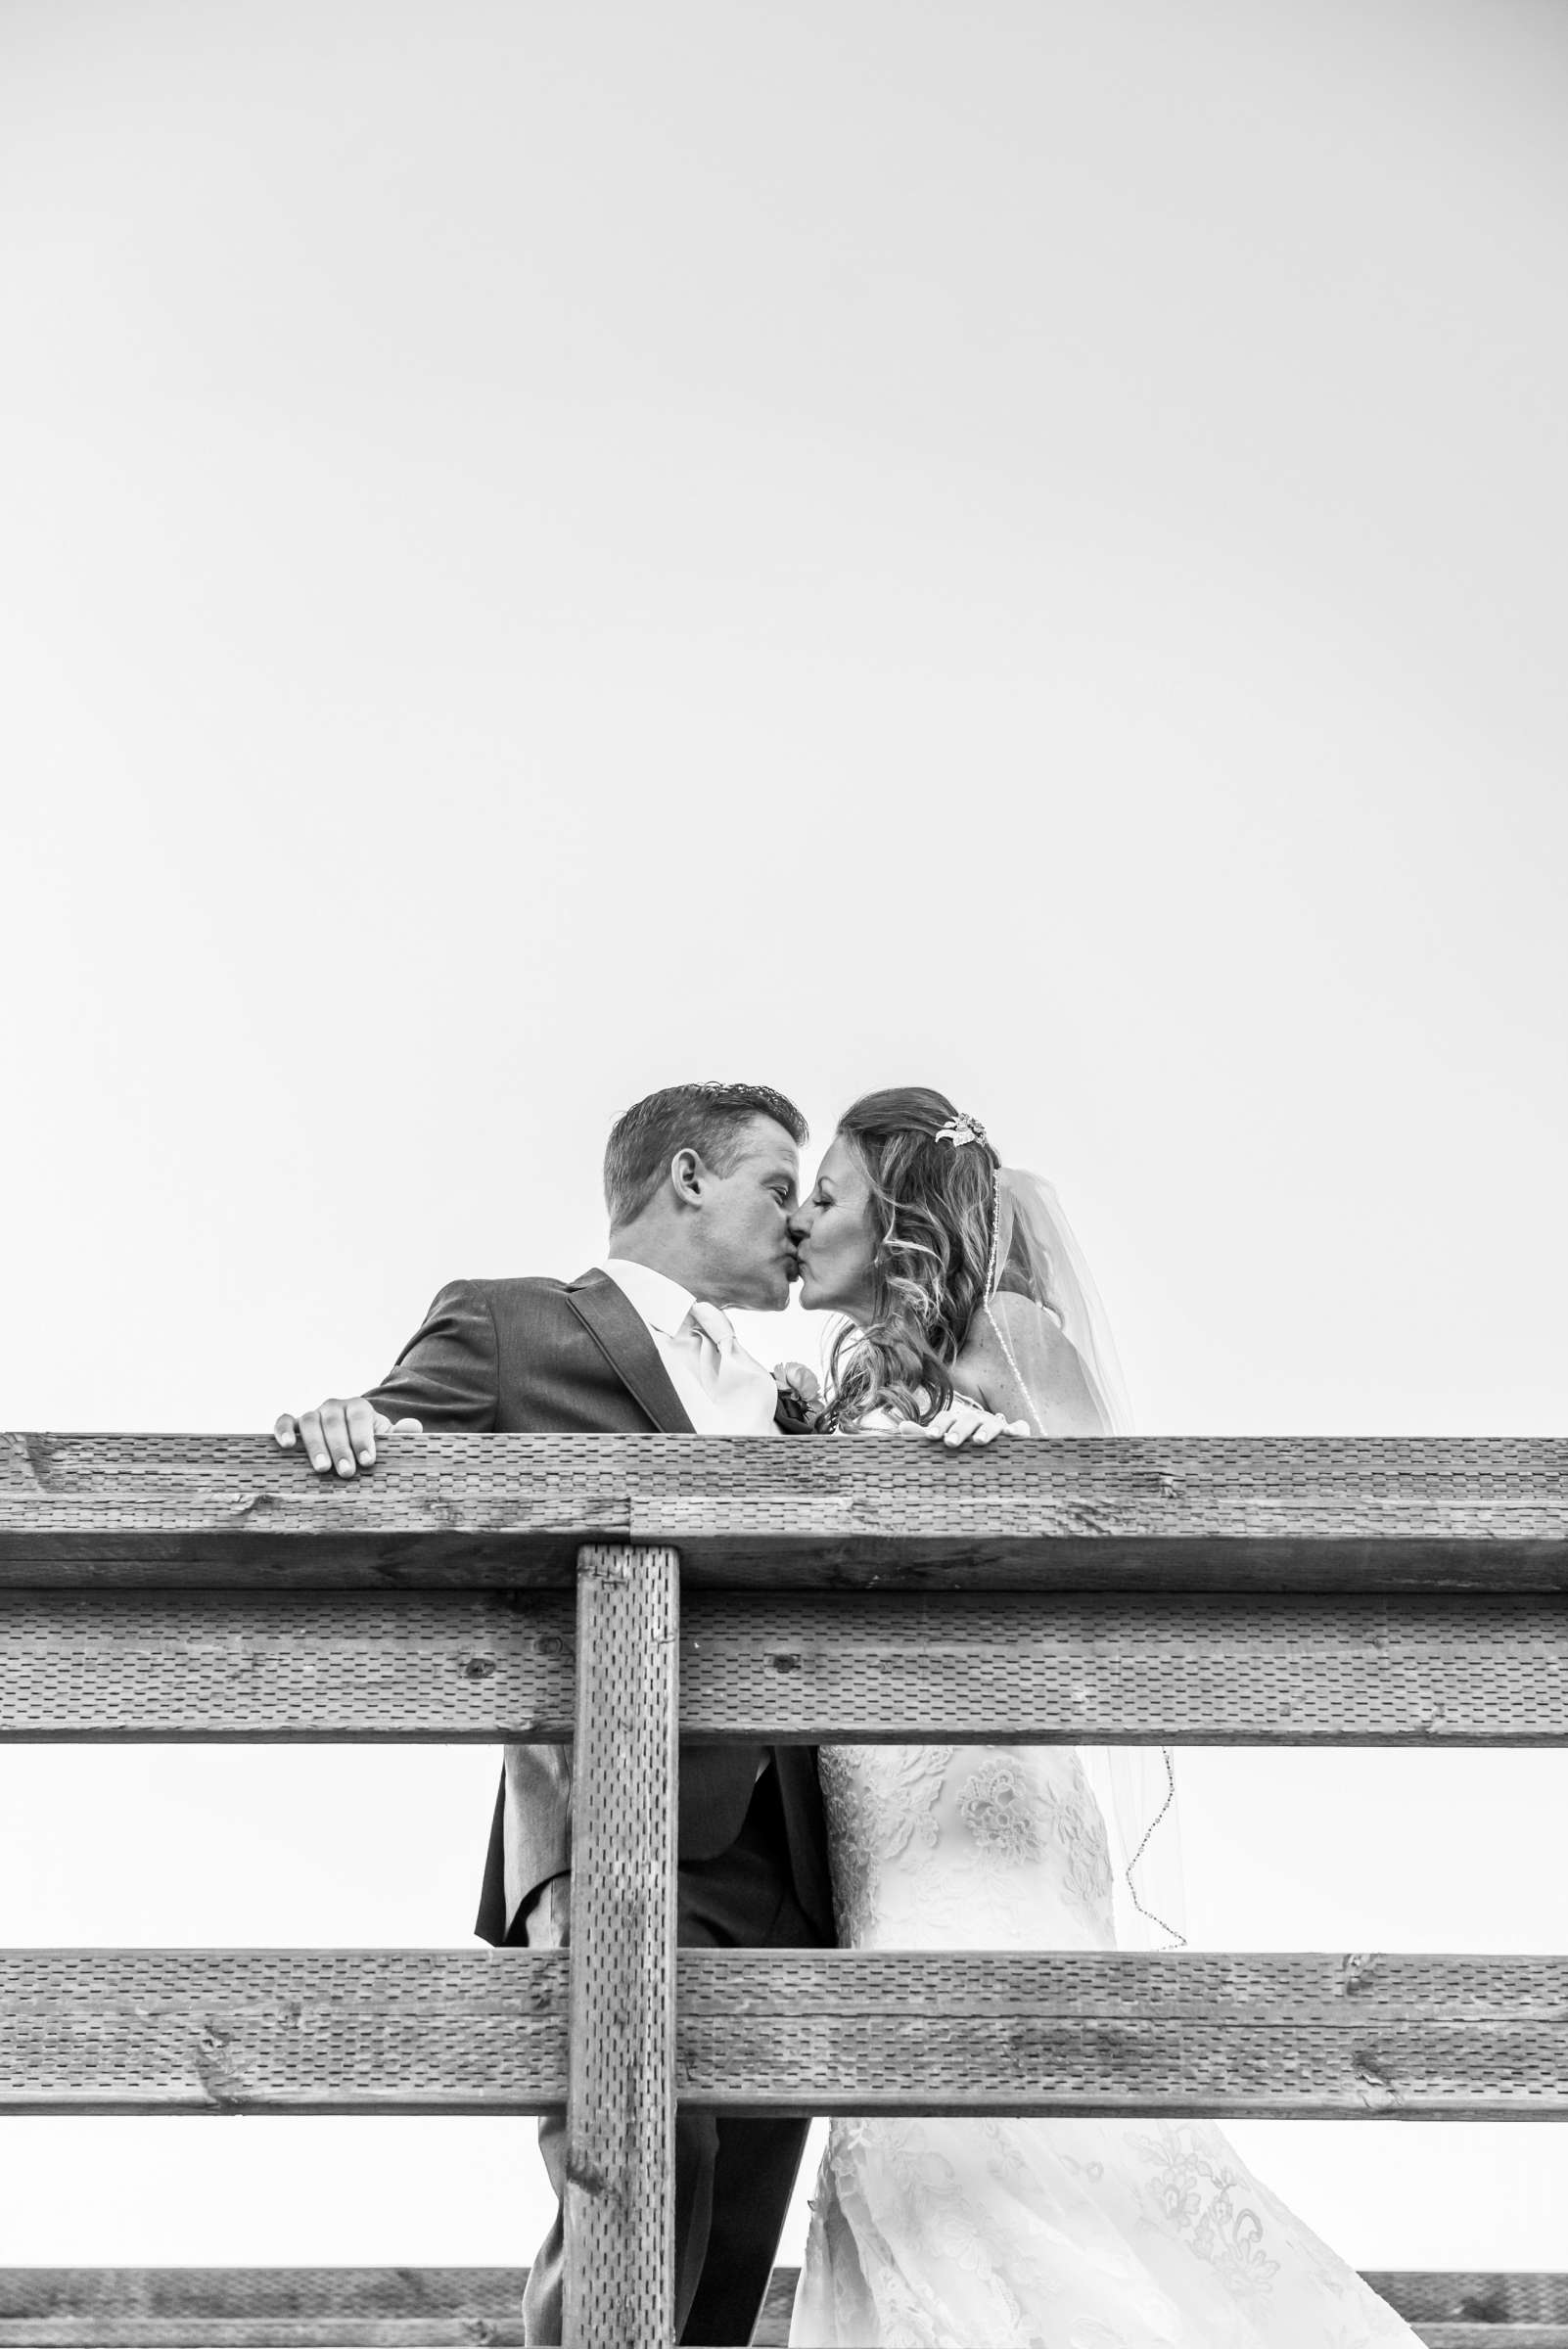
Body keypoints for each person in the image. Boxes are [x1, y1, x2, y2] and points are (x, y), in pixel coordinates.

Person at [271, 1081, 1005, 2349]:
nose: (798, 1221)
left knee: (726, 2261)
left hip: (799, 1863)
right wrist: (347, 1421)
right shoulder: (513, 1327)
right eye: (780, 1187)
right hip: (622, 1836)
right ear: (684, 1179)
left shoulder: (792, 1392)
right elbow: (379, 1451)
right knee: (632, 2197)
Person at [786, 1084, 1420, 2348]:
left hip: (982, 1800)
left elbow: (1115, 1529)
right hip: (872, 1809)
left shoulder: (1007, 1337)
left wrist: (1000, 1488)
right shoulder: (832, 1383)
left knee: (979, 2118)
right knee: (901, 2121)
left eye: (827, 1194)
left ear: (899, 1212)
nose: (800, 1220)